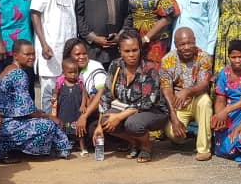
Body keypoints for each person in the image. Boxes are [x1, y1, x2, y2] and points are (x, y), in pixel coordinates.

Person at [0, 40, 72, 160]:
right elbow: (27, 111)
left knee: (43, 115)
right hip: (3, 128)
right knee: (49, 124)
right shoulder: (19, 75)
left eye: (33, 54)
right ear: (15, 55)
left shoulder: (9, 69)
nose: (32, 57)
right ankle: (62, 148)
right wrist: (49, 117)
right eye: (27, 54)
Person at [94, 31, 168, 163]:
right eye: (127, 51)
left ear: (140, 49)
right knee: (105, 120)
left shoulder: (150, 68)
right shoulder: (115, 66)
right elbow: (105, 96)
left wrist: (118, 117)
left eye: (135, 50)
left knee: (132, 124)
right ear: (120, 51)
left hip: (153, 111)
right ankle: (135, 141)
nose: (131, 55)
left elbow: (146, 103)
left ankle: (146, 146)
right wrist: (100, 126)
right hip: (127, 109)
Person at [30, 0, 77, 111]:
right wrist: (43, 44)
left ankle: (65, 125)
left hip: (69, 47)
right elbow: (35, 14)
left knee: (67, 88)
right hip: (50, 47)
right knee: (49, 92)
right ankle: (48, 126)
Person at [160, 28, 214, 161]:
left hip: (196, 99)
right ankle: (182, 138)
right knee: (174, 134)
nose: (187, 47)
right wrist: (173, 117)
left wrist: (187, 91)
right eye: (182, 44)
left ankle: (204, 149)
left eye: (190, 43)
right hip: (177, 103)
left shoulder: (203, 57)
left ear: (195, 41)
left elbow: (204, 84)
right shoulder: (167, 60)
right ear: (176, 45)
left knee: (205, 101)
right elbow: (166, 90)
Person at [63, 37, 108, 142]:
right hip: (81, 113)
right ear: (69, 56)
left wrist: (84, 116)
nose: (82, 57)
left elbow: (102, 94)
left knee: (93, 135)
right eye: (77, 54)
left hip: (99, 113)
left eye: (84, 54)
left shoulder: (95, 67)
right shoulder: (69, 69)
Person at [52, 58, 90, 156]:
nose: (73, 75)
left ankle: (83, 148)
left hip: (76, 112)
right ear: (64, 72)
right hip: (64, 112)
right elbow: (55, 92)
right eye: (70, 72)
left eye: (75, 72)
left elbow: (84, 94)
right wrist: (54, 98)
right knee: (63, 131)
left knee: (79, 131)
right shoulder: (60, 83)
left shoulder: (79, 83)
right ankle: (65, 147)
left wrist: (83, 105)